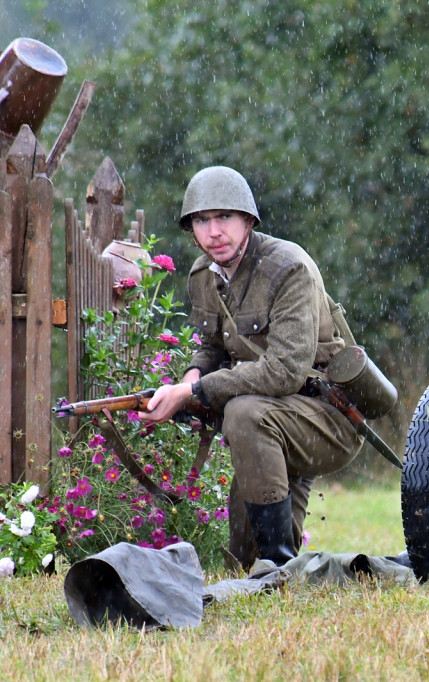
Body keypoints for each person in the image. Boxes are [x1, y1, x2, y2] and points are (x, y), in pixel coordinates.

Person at [141, 166, 363, 569]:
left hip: (328, 418)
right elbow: (211, 346)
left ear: (247, 220)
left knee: (241, 414)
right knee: (242, 563)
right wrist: (191, 377)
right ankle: (277, 566)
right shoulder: (202, 276)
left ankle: (278, 567)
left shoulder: (288, 268)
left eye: (224, 217)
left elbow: (284, 372)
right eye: (202, 221)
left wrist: (194, 393)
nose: (213, 232)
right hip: (269, 422)